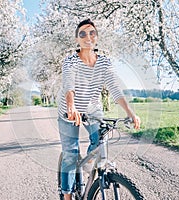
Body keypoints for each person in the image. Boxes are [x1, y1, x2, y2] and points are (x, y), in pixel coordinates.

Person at [57, 19, 141, 200]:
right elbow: (68, 86)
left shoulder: (104, 62)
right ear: (77, 40)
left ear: (97, 37)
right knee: (70, 155)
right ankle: (67, 195)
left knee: (99, 142)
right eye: (83, 34)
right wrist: (71, 107)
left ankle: (88, 166)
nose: (88, 37)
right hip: (69, 112)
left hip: (93, 110)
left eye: (92, 33)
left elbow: (115, 89)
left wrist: (130, 113)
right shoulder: (70, 61)